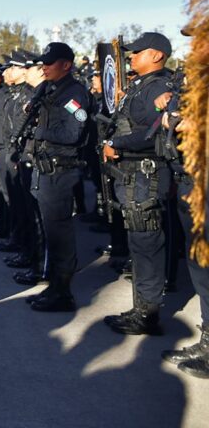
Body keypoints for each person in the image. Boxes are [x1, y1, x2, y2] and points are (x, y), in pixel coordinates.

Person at [102, 33, 173, 335]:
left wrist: (116, 143)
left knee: (147, 244)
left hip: (147, 174)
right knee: (139, 244)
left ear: (156, 55)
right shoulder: (141, 85)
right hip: (133, 175)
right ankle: (141, 308)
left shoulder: (159, 87)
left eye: (137, 52)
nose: (131, 57)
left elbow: (155, 132)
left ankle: (148, 314)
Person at [24, 42, 90, 312]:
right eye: (43, 63)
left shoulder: (74, 94)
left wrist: (40, 133)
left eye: (50, 63)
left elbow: (74, 133)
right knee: (51, 232)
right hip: (46, 169)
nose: (44, 67)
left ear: (66, 65)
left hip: (61, 171)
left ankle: (63, 292)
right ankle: (53, 286)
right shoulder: (50, 90)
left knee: (60, 234)